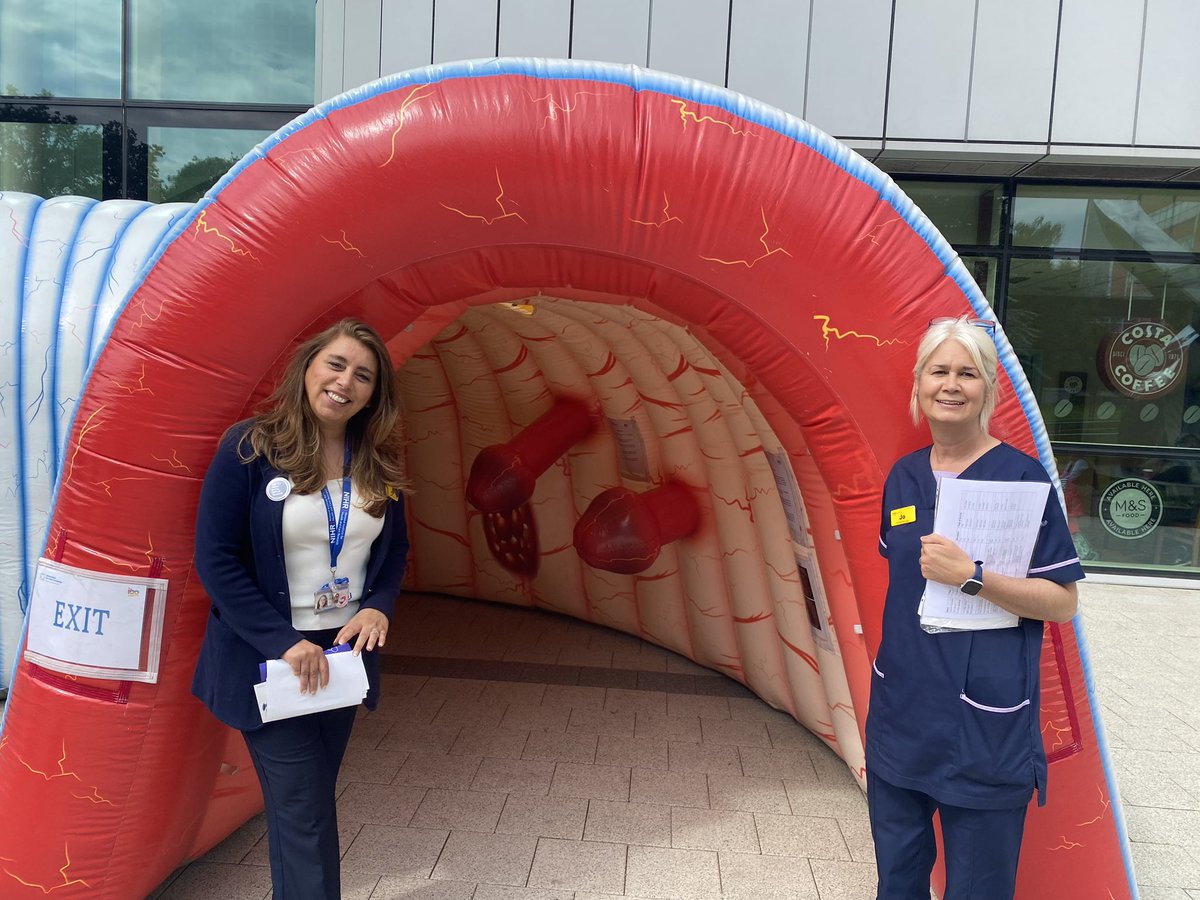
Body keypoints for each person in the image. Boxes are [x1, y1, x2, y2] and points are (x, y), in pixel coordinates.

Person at [866, 316, 1083, 900]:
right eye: (939, 371)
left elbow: (1063, 602)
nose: (951, 385)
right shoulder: (903, 477)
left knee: (978, 889)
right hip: (902, 710)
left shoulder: (1021, 478)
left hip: (983, 724)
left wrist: (974, 579)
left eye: (968, 373)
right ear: (918, 385)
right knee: (898, 879)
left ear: (988, 387)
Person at [192, 318, 409, 900]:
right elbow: (215, 560)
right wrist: (283, 642)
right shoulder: (251, 447)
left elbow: (394, 553)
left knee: (306, 809)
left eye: (363, 375)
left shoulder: (378, 459)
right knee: (306, 814)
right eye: (335, 365)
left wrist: (378, 606)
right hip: (276, 663)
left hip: (341, 658)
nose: (345, 383)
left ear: (374, 392)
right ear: (308, 368)